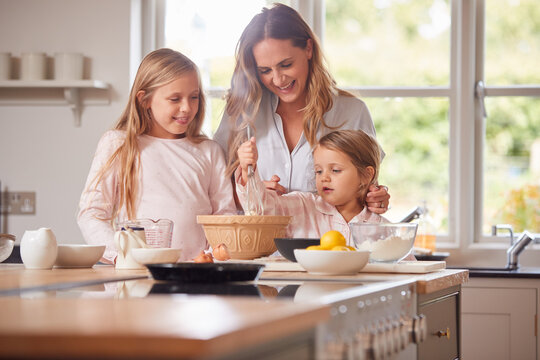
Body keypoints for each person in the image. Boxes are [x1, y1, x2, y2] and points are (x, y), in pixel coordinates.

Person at [213, 3, 390, 214]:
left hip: (327, 246)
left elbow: (366, 188)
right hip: (259, 245)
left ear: (308, 48)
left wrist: (375, 198)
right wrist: (251, 193)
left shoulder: (352, 112)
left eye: (286, 65)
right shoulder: (242, 112)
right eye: (265, 70)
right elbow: (213, 187)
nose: (278, 79)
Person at [77, 48, 236, 263]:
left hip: (197, 277)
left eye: (194, 97)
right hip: (137, 277)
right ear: (144, 100)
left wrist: (212, 256)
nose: (187, 108)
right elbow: (91, 213)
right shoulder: (120, 144)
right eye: (175, 99)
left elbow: (224, 216)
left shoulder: (209, 151)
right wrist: (122, 256)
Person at [236, 129, 388, 244]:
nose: (324, 178)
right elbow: (260, 208)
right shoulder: (303, 206)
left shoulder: (383, 229)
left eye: (335, 170)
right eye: (318, 171)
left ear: (366, 175)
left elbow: (405, 270)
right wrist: (246, 169)